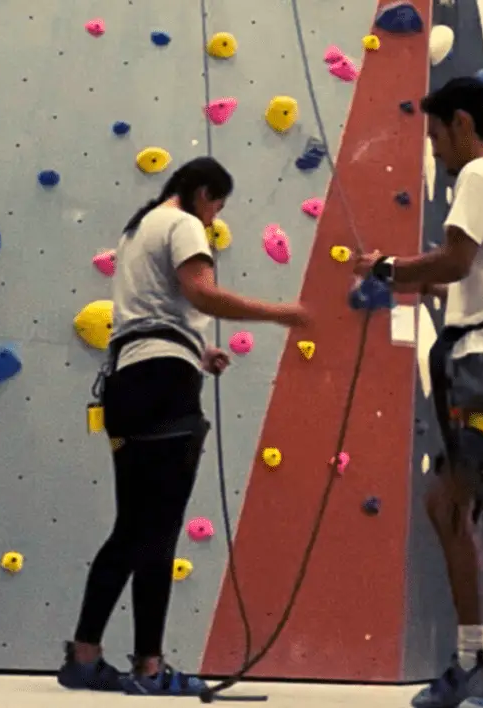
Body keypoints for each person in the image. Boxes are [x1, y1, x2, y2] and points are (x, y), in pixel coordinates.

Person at [57, 156, 311, 696]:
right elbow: (200, 292)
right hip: (163, 388)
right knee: (160, 530)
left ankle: (84, 656)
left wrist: (199, 348)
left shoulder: (138, 230)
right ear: (202, 193)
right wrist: (280, 313)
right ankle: (149, 668)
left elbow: (153, 313)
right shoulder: (184, 224)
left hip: (128, 383)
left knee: (131, 528)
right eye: (217, 206)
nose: (215, 219)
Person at [353, 77, 483, 708]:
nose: (436, 149)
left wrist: (392, 271)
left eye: (438, 134)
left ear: (464, 125)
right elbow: (472, 276)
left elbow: (454, 261)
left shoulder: (479, 178)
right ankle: (472, 661)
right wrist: (421, 278)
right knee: (447, 505)